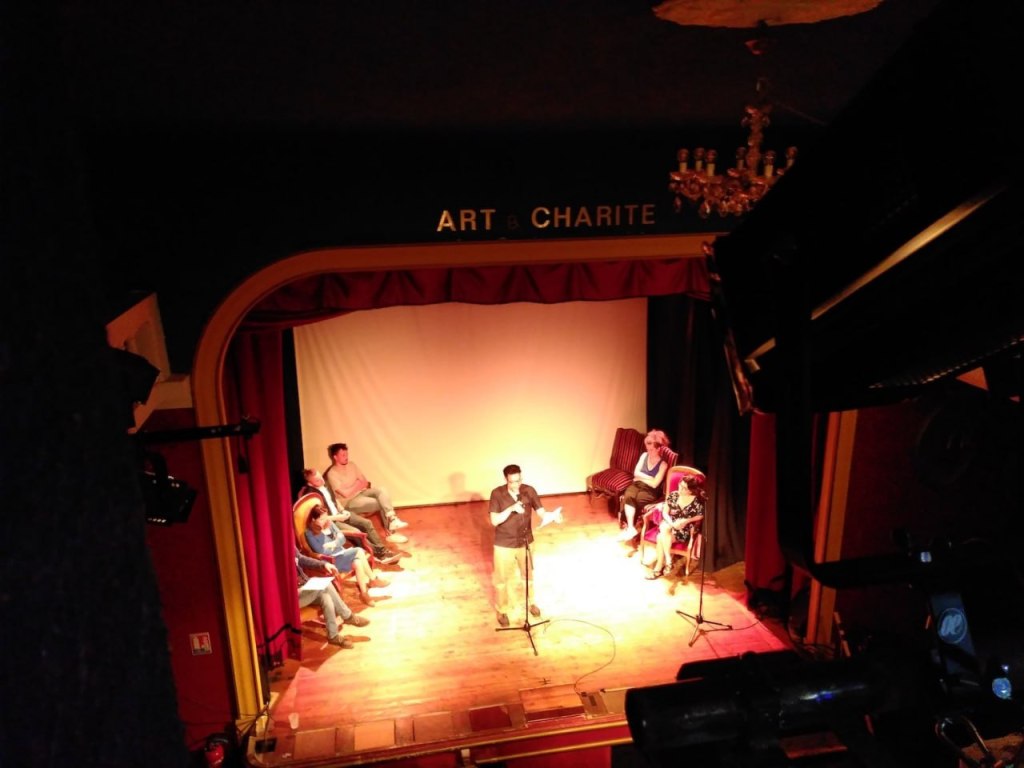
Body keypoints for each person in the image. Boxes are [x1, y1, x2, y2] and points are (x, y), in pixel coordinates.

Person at [488, 464, 561, 628]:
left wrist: (553, 517)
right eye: (512, 482)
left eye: (519, 480)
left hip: (525, 541)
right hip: (504, 544)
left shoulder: (529, 491)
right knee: (501, 579)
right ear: (506, 480)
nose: (516, 484)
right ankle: (502, 609)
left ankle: (532, 602)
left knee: (528, 575)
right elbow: (494, 520)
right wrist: (511, 508)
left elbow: (541, 512)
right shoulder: (497, 494)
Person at [300, 467, 404, 562]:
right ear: (310, 483)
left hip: (340, 514)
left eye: (320, 477)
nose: (322, 480)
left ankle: (382, 550)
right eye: (317, 480)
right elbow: (319, 518)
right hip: (331, 522)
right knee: (356, 532)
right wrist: (337, 517)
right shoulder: (311, 495)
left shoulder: (325, 484)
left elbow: (334, 499)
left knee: (366, 523)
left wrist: (342, 510)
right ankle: (380, 555)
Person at [305, 504, 391, 606]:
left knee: (358, 563)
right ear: (314, 519)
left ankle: (364, 593)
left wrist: (334, 544)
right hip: (331, 561)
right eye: (322, 519)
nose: (325, 520)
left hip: (342, 554)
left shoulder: (330, 524)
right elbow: (321, 551)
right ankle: (373, 579)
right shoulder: (310, 533)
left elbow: (342, 538)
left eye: (326, 517)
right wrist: (336, 542)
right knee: (358, 550)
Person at [324, 442, 410, 542]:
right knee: (381, 503)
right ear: (335, 457)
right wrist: (357, 483)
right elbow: (345, 494)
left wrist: (352, 487)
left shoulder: (352, 465)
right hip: (348, 502)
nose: (346, 457)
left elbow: (364, 482)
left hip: (361, 493)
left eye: (347, 454)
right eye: (343, 455)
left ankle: (392, 519)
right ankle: (391, 533)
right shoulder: (332, 473)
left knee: (382, 490)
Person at [295, 546, 369, 648]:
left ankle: (333, 636)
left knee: (326, 597)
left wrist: (324, 564)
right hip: (291, 598)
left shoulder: (288, 544)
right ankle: (348, 616)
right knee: (326, 586)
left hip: (304, 588)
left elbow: (301, 558)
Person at [645, 474, 706, 579]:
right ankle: (667, 561)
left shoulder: (696, 501)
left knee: (660, 537)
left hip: (683, 529)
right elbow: (665, 513)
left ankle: (659, 568)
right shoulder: (673, 495)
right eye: (680, 485)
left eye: (684, 488)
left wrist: (686, 520)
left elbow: (700, 515)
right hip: (670, 523)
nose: (680, 489)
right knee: (665, 527)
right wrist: (672, 523)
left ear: (690, 491)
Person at [617, 429, 670, 541]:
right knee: (628, 496)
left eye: (651, 449)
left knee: (635, 501)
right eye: (647, 448)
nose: (648, 451)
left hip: (650, 491)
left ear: (658, 449)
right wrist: (650, 478)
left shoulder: (663, 464)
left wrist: (641, 477)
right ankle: (631, 528)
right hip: (636, 485)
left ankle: (629, 528)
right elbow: (636, 473)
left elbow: (655, 484)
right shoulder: (644, 456)